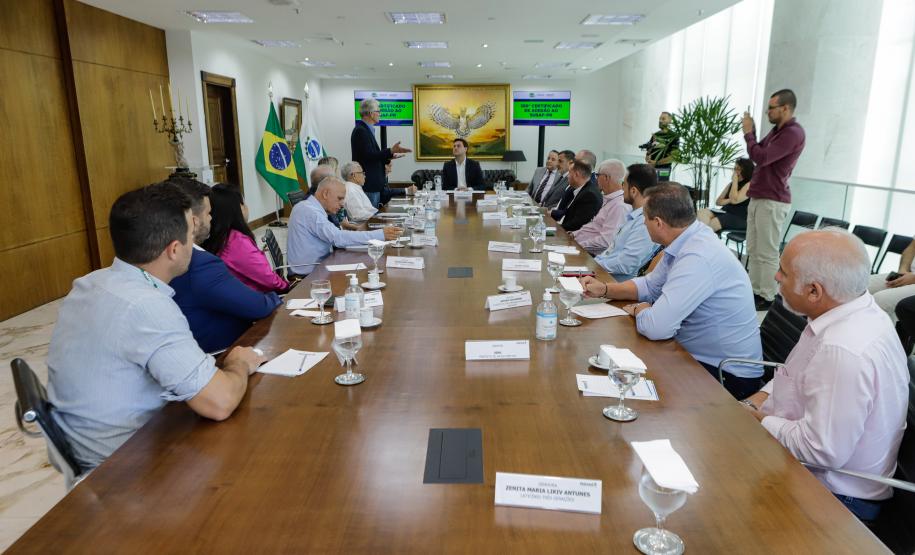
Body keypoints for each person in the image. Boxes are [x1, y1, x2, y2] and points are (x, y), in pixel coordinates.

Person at [46, 182, 265, 470]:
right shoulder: (146, 307)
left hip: (86, 444)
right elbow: (219, 402)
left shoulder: (91, 282)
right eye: (190, 234)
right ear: (174, 249)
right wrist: (239, 364)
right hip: (126, 464)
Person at [741, 229, 908, 522]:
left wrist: (760, 420)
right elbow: (798, 374)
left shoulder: (842, 350)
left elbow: (820, 451)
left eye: (784, 272)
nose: (776, 278)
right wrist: (759, 400)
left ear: (814, 291)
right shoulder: (853, 311)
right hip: (812, 469)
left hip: (834, 498)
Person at [582, 183, 763, 399]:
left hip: (726, 375)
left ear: (658, 223)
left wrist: (642, 310)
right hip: (694, 355)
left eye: (645, 219)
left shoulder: (698, 256)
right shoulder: (687, 239)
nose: (644, 224)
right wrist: (605, 289)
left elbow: (656, 327)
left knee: (622, 388)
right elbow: (649, 285)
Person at [169, 179, 282, 352]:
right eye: (208, 213)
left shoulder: (166, 256)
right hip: (226, 353)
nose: (211, 218)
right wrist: (276, 297)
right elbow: (260, 306)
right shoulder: (202, 264)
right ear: (194, 221)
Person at [743, 89, 806, 310]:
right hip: (760, 196)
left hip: (773, 199)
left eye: (772, 108)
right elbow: (759, 153)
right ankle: (755, 291)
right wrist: (753, 137)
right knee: (754, 247)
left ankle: (767, 296)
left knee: (767, 251)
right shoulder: (777, 131)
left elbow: (761, 157)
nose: (768, 112)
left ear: (785, 108)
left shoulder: (793, 133)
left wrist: (749, 133)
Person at [287, 176, 401, 275]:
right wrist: (379, 234)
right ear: (325, 194)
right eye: (339, 198)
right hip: (308, 275)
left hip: (320, 265)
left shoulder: (310, 207)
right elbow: (338, 237)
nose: (342, 204)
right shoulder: (310, 212)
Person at [202, 183, 289, 293]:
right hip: (259, 302)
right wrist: (288, 286)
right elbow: (270, 281)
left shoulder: (216, 237)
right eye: (244, 203)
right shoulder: (236, 242)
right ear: (238, 208)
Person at [593, 164, 659, 281]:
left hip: (615, 285)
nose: (621, 189)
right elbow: (611, 253)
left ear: (633, 191)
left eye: (623, 184)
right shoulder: (633, 216)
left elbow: (626, 265)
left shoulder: (645, 223)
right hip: (604, 276)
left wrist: (593, 266)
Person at [351, 97, 411, 208]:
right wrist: (390, 150)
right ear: (370, 113)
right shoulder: (361, 131)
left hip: (374, 185)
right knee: (371, 220)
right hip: (369, 185)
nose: (380, 114)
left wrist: (389, 156)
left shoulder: (366, 129)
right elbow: (368, 156)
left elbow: (372, 156)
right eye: (378, 112)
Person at [569, 159, 630, 255]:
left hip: (593, 256)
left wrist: (578, 245)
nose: (596, 179)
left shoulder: (619, 206)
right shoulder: (609, 198)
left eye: (597, 175)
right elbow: (593, 227)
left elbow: (605, 242)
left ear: (606, 177)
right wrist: (573, 234)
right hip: (583, 248)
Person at [697, 158, 754, 233]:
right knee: (701, 212)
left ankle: (702, 239)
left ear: (746, 171)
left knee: (714, 222)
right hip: (725, 212)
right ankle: (704, 238)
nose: (735, 172)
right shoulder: (731, 184)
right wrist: (730, 199)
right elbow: (718, 201)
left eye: (738, 169)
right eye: (735, 168)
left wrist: (734, 181)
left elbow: (734, 200)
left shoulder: (750, 184)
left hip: (739, 217)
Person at [867, 236, 915, 322]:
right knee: (861, 285)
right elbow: (911, 248)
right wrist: (902, 270)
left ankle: (883, 334)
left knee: (881, 299)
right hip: (908, 274)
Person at [550, 160, 602, 232]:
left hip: (572, 238)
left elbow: (577, 225)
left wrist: (553, 229)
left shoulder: (589, 195)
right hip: (564, 229)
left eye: (569, 173)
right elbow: (567, 213)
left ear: (576, 175)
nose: (567, 176)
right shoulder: (580, 188)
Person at [643, 111, 678, 181]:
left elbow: (673, 157)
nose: (660, 121)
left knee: (661, 189)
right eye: (659, 119)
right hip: (652, 169)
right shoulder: (655, 135)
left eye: (663, 119)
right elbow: (649, 151)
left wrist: (656, 163)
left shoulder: (674, 136)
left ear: (670, 120)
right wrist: (648, 157)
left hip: (664, 170)